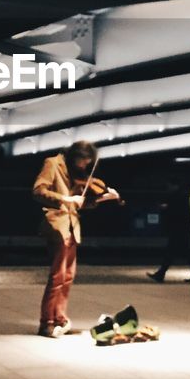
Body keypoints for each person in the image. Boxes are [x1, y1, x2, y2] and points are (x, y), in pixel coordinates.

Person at [31, 140, 119, 337]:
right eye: (82, 161)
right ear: (74, 155)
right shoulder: (53, 163)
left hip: (72, 227)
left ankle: (60, 319)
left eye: (88, 162)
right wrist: (65, 199)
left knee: (68, 276)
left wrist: (105, 198)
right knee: (57, 276)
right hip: (58, 225)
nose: (84, 166)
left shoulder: (74, 173)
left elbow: (81, 204)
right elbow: (38, 190)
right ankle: (47, 322)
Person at [147, 179, 190, 282]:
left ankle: (161, 274)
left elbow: (175, 211)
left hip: (178, 228)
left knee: (174, 252)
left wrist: (166, 208)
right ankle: (161, 273)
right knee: (183, 252)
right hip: (182, 228)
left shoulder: (176, 196)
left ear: (174, 186)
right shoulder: (183, 195)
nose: (168, 188)